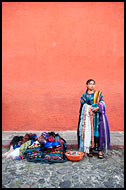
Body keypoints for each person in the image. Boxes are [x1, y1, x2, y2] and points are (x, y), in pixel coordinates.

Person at [77, 79, 110, 159]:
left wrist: (98, 107)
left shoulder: (98, 94)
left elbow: (102, 102)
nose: (92, 85)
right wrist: (89, 108)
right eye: (90, 84)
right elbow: (83, 104)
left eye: (93, 84)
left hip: (98, 117)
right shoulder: (84, 95)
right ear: (87, 85)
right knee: (89, 132)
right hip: (88, 117)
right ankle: (90, 148)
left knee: (99, 133)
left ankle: (99, 150)